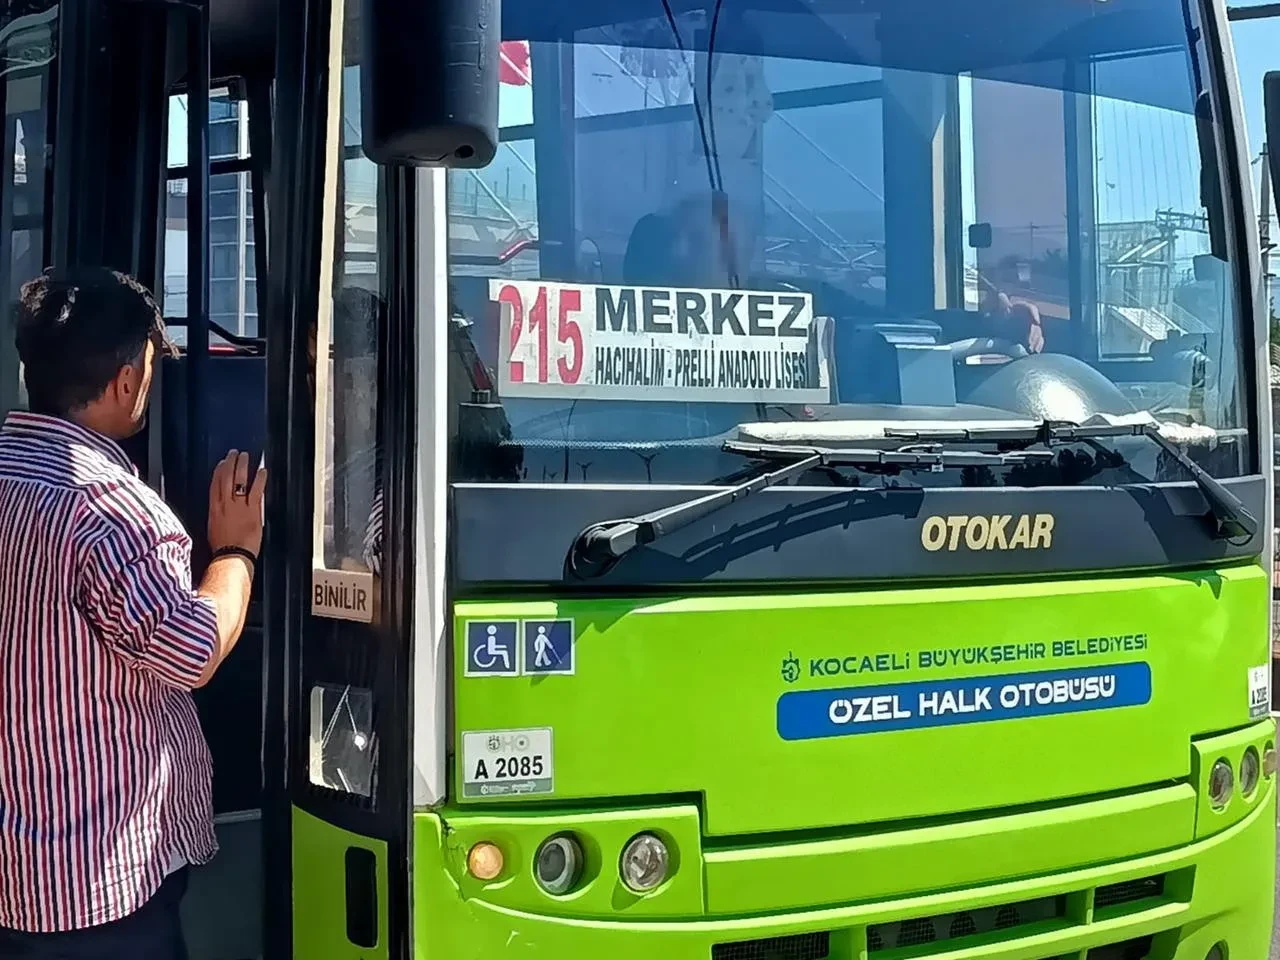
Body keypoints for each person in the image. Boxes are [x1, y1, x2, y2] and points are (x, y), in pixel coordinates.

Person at [0, 267, 265, 958]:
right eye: (152, 364)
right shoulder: (107, 508)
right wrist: (235, 552)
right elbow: (194, 650)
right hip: (93, 884)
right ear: (124, 380)